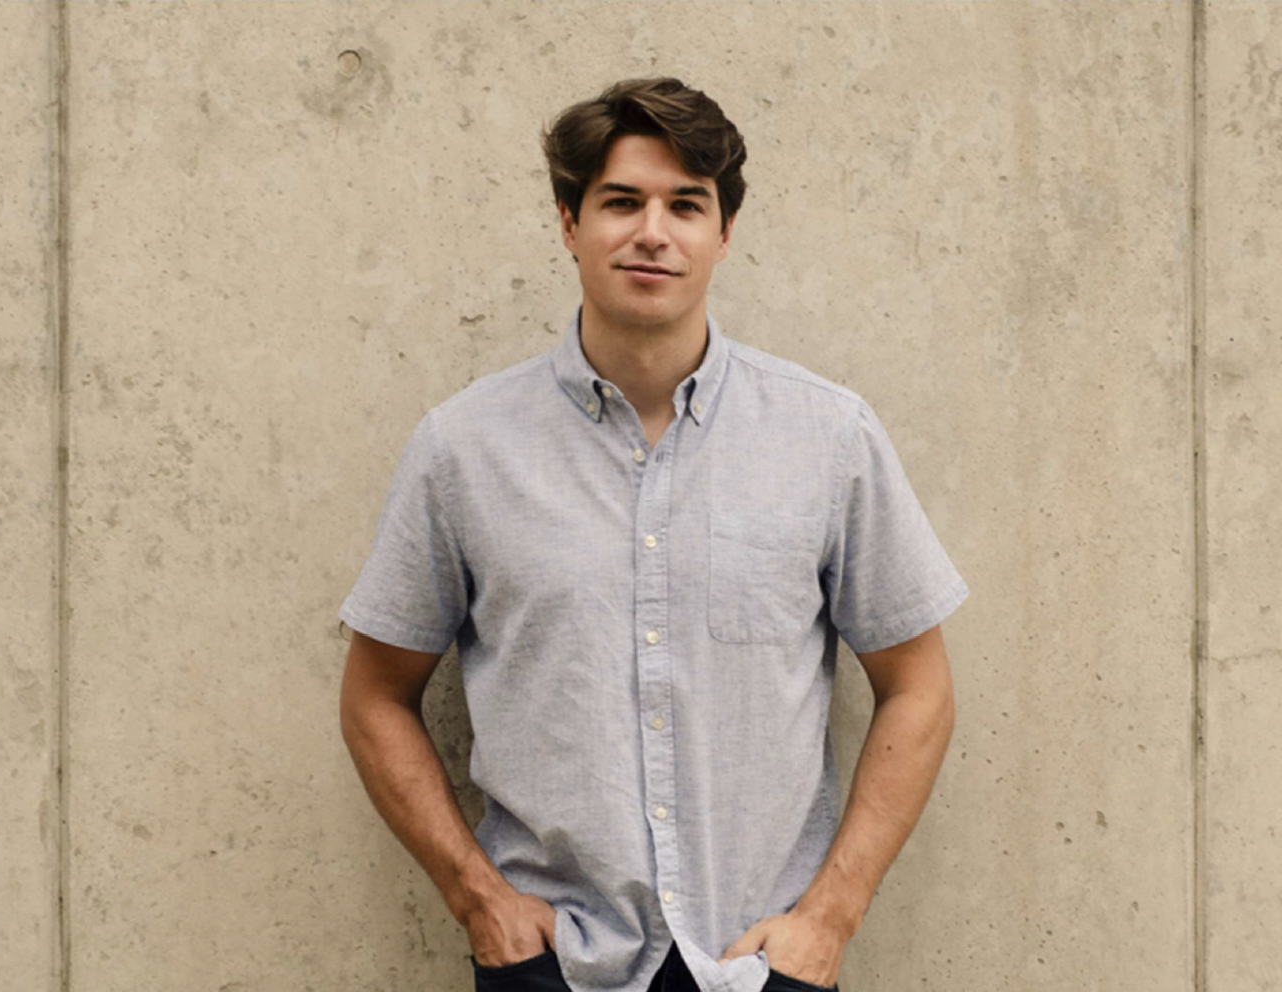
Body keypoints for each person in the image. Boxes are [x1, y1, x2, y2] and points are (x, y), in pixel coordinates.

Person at [337, 76, 970, 992]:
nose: (652, 232)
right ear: (569, 223)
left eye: (686, 205)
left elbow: (919, 686)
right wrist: (480, 902)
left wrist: (830, 917)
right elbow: (374, 697)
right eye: (621, 201)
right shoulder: (464, 450)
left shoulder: (828, 438)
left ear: (724, 233)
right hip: (556, 962)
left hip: (761, 964)